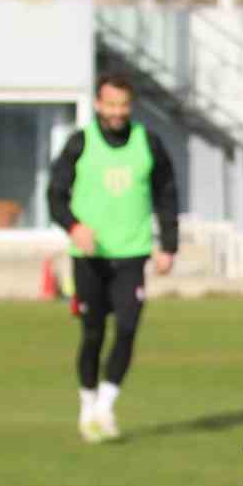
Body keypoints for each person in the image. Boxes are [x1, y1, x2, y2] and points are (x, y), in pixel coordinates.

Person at [47, 73, 179, 443]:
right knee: (92, 332)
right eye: (111, 104)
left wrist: (169, 245)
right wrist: (74, 227)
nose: (117, 112)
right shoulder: (80, 143)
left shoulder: (147, 142)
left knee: (127, 327)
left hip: (132, 253)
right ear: (98, 104)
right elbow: (55, 195)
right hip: (89, 257)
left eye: (123, 105)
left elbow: (167, 194)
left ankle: (105, 406)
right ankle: (87, 403)